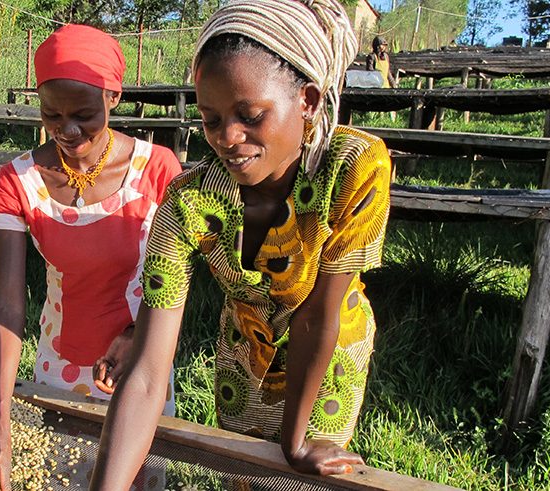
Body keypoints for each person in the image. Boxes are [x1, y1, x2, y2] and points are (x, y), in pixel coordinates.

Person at [90, 0, 392, 487]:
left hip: (326, 360)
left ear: (309, 101)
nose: (228, 138)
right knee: (245, 476)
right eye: (211, 120)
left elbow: (318, 314)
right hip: (242, 356)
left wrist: (296, 442)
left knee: (300, 479)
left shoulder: (354, 166)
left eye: (250, 115)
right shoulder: (189, 202)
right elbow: (146, 373)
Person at [0, 24, 183, 491]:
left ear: (113, 97)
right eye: (52, 115)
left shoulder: (159, 170)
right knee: (62, 475)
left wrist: (135, 334)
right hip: (58, 367)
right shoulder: (18, 181)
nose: (67, 130)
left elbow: (178, 281)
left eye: (84, 114)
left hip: (142, 364)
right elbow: (7, 306)